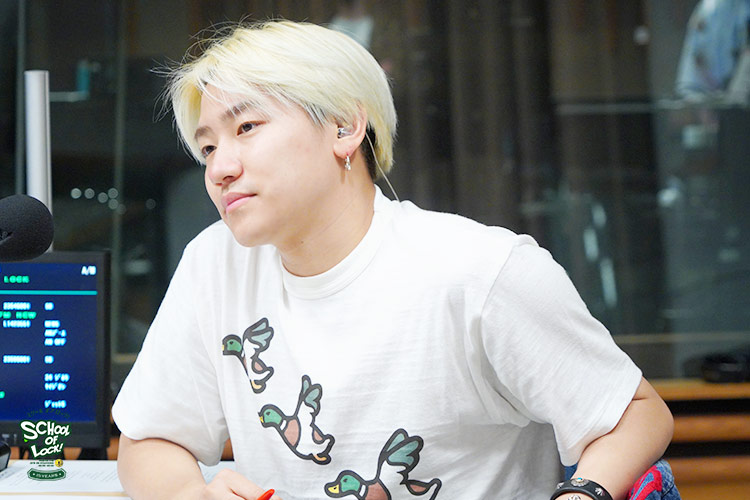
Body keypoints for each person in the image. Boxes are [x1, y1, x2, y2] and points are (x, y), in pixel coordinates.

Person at [113, 20, 674, 500]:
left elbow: (636, 415)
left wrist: (583, 494)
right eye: (208, 147)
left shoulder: (478, 270)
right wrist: (190, 493)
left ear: (344, 127)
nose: (219, 169)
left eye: (247, 128)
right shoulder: (214, 263)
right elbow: (151, 439)